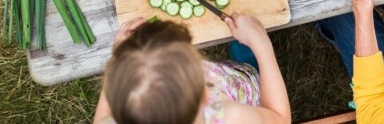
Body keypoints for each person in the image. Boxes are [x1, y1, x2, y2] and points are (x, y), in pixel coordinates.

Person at [92, 13, 291, 124]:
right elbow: (279, 118)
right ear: (206, 91)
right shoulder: (230, 116)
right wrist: (261, 45)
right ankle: (251, 68)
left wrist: (120, 56)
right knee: (249, 76)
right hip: (241, 94)